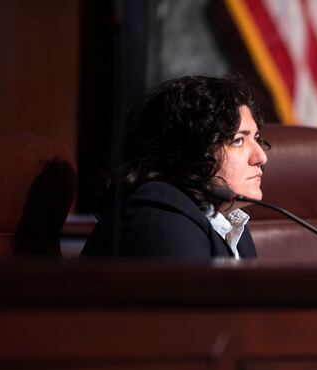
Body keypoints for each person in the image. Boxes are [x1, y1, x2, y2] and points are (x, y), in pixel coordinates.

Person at [81, 75, 269, 261]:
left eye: (257, 138)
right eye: (237, 141)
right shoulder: (160, 221)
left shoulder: (230, 223)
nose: (261, 157)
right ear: (189, 151)